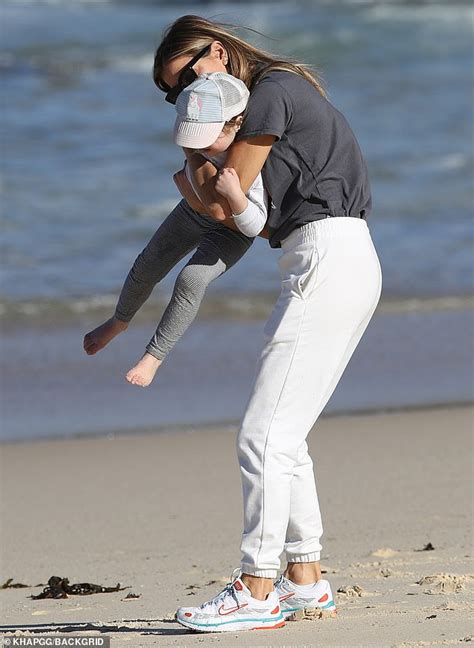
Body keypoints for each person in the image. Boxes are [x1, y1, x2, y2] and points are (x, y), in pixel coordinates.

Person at [157, 14, 383, 633]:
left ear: (220, 52)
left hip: (328, 257)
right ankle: (304, 580)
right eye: (175, 96)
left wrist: (193, 145)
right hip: (336, 258)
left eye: (189, 79)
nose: (187, 96)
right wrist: (203, 153)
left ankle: (258, 587)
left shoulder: (275, 92)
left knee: (262, 437)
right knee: (285, 436)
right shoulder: (272, 99)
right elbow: (239, 217)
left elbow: (228, 208)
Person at [83, 72, 267, 387]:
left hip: (234, 230)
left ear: (236, 122)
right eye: (193, 139)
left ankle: (153, 356)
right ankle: (119, 320)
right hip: (192, 213)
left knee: (190, 279)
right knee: (149, 261)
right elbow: (193, 169)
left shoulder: (250, 159)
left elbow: (255, 225)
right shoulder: (202, 149)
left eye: (206, 139)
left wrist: (235, 196)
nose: (201, 147)